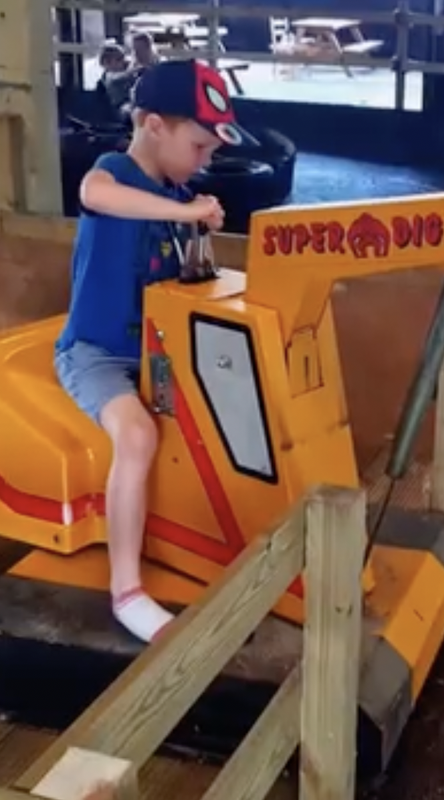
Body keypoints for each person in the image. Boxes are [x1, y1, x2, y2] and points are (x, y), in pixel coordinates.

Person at [54, 59, 256, 644]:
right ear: (151, 125)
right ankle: (127, 592)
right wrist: (186, 211)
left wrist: (199, 230)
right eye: (199, 144)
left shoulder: (177, 194)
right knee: (139, 436)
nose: (205, 160)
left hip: (154, 351)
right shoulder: (113, 174)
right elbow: (95, 194)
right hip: (95, 352)